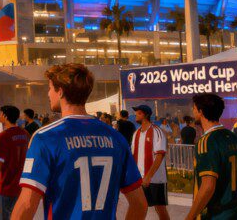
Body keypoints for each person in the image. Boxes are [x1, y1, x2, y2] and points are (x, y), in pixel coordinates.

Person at [11, 63, 147, 219]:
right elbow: (140, 204)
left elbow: (27, 204)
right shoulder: (116, 138)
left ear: (60, 92)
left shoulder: (46, 137)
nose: (48, 94)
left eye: (50, 88)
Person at [183, 93, 237, 220]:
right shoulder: (234, 138)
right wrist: (232, 207)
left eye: (194, 108)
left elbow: (208, 186)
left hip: (215, 216)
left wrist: (190, 217)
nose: (193, 112)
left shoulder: (206, 142)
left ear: (201, 111)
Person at [0, 105, 28, 220]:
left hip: (7, 186)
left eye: (0, 114)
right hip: (22, 186)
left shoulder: (2, 137)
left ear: (4, 116)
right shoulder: (25, 134)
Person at [131, 105, 169, 220]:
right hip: (139, 178)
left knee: (160, 208)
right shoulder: (136, 133)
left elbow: (159, 156)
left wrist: (148, 177)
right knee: (138, 207)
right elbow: (133, 155)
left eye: (139, 113)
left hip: (156, 179)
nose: (135, 115)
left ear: (146, 115)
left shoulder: (156, 131)